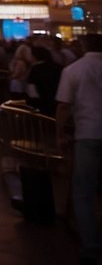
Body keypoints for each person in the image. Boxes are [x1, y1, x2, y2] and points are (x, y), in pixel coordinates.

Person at [58, 33, 102, 264]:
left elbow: (64, 106)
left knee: (83, 192)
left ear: (83, 46)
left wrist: (59, 133)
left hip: (87, 133)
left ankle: (91, 246)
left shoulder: (73, 70)